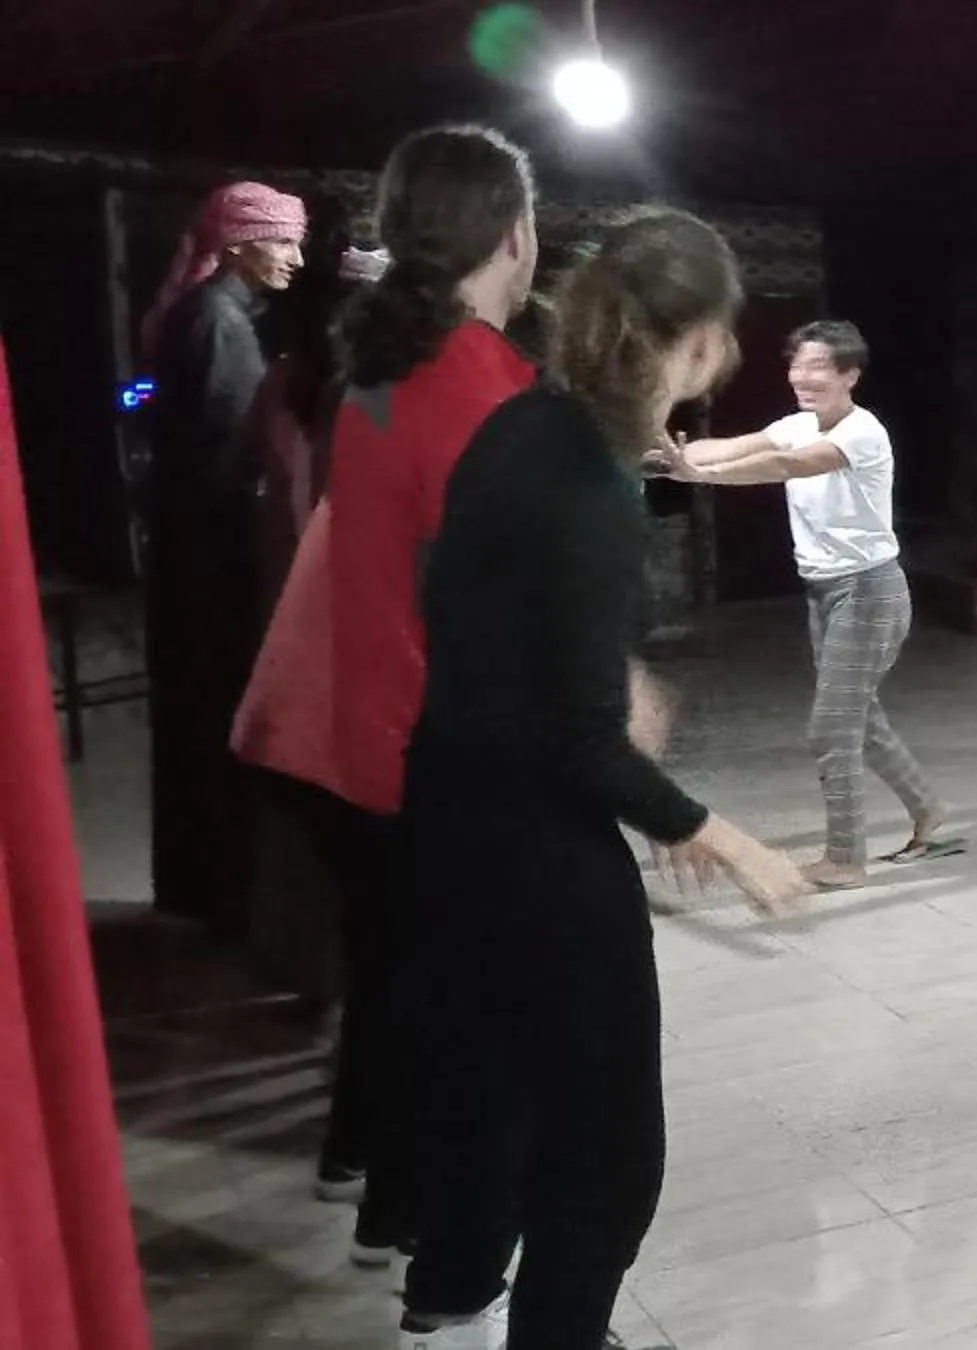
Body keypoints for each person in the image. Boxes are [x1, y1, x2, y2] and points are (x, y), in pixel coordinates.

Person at [391, 207, 807, 1350]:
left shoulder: (523, 425)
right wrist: (719, 834)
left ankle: (447, 1315)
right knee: (610, 1155)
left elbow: (480, 621)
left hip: (447, 817)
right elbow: (580, 743)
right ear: (704, 342)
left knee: (494, 1095)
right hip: (537, 849)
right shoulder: (589, 482)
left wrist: (605, 682)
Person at [230, 124, 542, 1274]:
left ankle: (372, 1179)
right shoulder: (478, 385)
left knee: (398, 971)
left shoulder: (381, 367)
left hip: (347, 726)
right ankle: (422, 1240)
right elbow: (492, 611)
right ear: (515, 235)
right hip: (424, 747)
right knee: (460, 1009)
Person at [670, 320, 958, 889]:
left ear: (850, 375)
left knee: (831, 728)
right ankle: (929, 808)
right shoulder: (796, 424)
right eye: (798, 365)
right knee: (859, 718)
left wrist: (698, 475)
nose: (803, 376)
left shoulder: (862, 431)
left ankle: (845, 859)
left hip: (869, 592)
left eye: (819, 366)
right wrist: (665, 454)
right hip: (825, 592)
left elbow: (790, 465)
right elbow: (734, 445)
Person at [139, 180, 306, 932]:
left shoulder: (207, 312)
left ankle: (201, 887)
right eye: (282, 241)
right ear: (238, 244)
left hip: (191, 550)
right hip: (216, 558)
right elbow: (234, 454)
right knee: (222, 711)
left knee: (198, 711)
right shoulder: (218, 322)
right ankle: (227, 892)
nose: (295, 257)